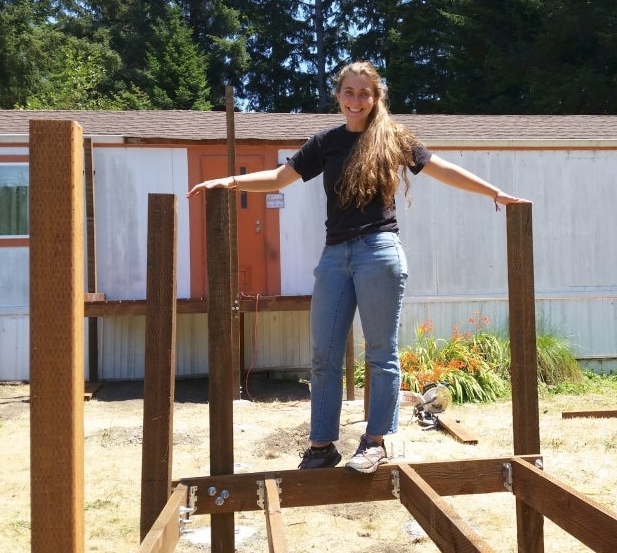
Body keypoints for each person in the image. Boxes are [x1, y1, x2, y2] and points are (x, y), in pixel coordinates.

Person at [188, 61, 527, 473]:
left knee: (381, 353)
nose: (355, 100)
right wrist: (229, 181)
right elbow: (280, 178)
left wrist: (493, 192)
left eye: (364, 93)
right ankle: (321, 446)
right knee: (323, 354)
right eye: (348, 92)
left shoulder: (392, 138)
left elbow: (442, 169)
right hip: (335, 256)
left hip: (379, 252)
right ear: (338, 95)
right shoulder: (325, 142)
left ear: (375, 97)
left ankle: (374, 442)